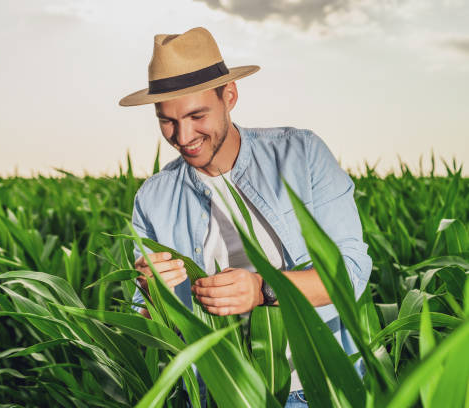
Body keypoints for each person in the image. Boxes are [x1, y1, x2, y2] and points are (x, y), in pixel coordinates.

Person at [118, 26, 371, 408]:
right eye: (166, 120)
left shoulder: (301, 155)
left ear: (230, 96)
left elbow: (350, 273)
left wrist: (261, 290)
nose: (182, 135)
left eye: (196, 115)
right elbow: (148, 329)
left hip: (314, 386)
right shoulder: (152, 198)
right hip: (213, 392)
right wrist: (152, 295)